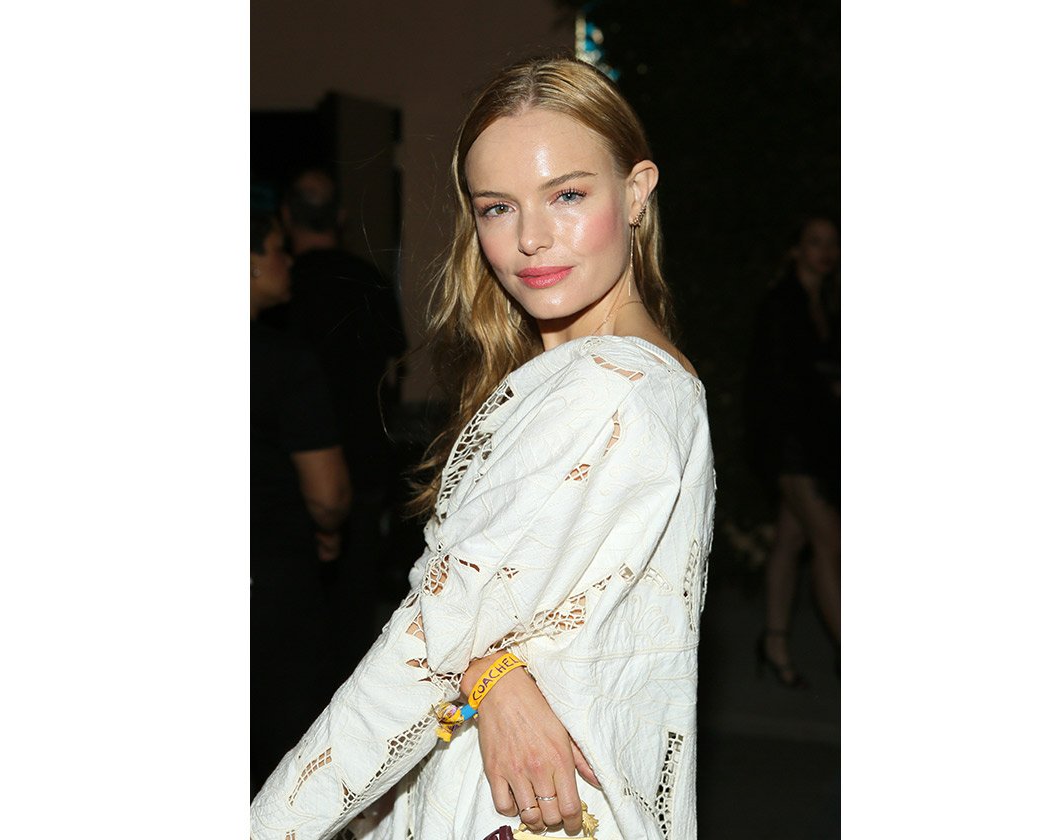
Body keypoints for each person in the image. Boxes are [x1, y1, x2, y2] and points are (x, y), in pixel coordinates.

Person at [250, 56, 715, 840]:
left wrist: (271, 825)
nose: (531, 237)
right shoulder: (640, 375)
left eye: (568, 195)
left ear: (637, 192)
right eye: (498, 207)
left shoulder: (609, 388)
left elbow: (429, 638)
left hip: (522, 812)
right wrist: (490, 671)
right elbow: (520, 615)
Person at [274, 168, 409, 680]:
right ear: (342, 217)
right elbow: (394, 371)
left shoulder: (278, 287)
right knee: (353, 618)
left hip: (286, 476)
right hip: (362, 464)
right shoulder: (368, 280)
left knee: (288, 628)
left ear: (287, 216)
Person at [250, 208, 354, 793]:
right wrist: (330, 531)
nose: (287, 261)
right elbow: (328, 493)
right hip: (272, 582)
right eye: (275, 248)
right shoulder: (283, 362)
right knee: (285, 752)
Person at [745, 215, 840, 688]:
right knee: (832, 543)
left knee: (792, 540)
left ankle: (774, 642)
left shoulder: (828, 302)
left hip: (818, 441)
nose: (826, 251)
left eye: (832, 244)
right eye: (815, 242)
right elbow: (779, 382)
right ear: (796, 250)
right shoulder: (782, 303)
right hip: (792, 444)